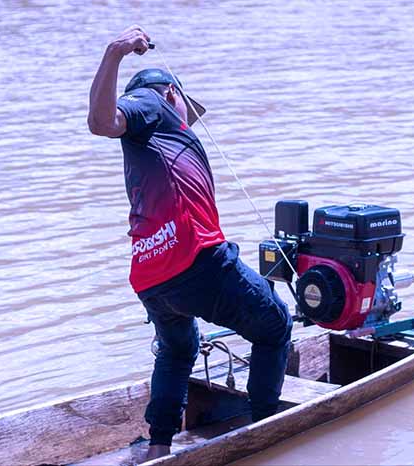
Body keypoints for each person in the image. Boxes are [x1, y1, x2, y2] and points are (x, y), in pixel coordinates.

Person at [87, 25, 293, 461]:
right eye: (184, 104)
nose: (187, 116)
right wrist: (116, 52)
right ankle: (264, 435)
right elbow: (102, 122)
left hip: (150, 276)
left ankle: (159, 446)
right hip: (197, 261)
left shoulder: (155, 139)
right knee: (275, 324)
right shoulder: (152, 104)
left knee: (179, 349)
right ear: (171, 94)